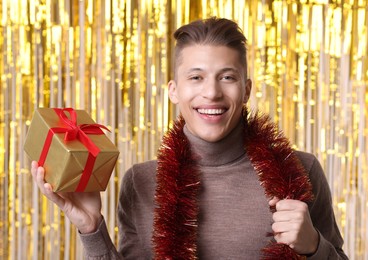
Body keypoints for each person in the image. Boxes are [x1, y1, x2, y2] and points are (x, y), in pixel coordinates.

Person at [31, 17, 348, 259]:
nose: (211, 92)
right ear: (174, 90)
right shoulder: (140, 182)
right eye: (196, 77)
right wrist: (91, 228)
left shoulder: (300, 170)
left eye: (227, 77)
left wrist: (313, 246)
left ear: (247, 89)